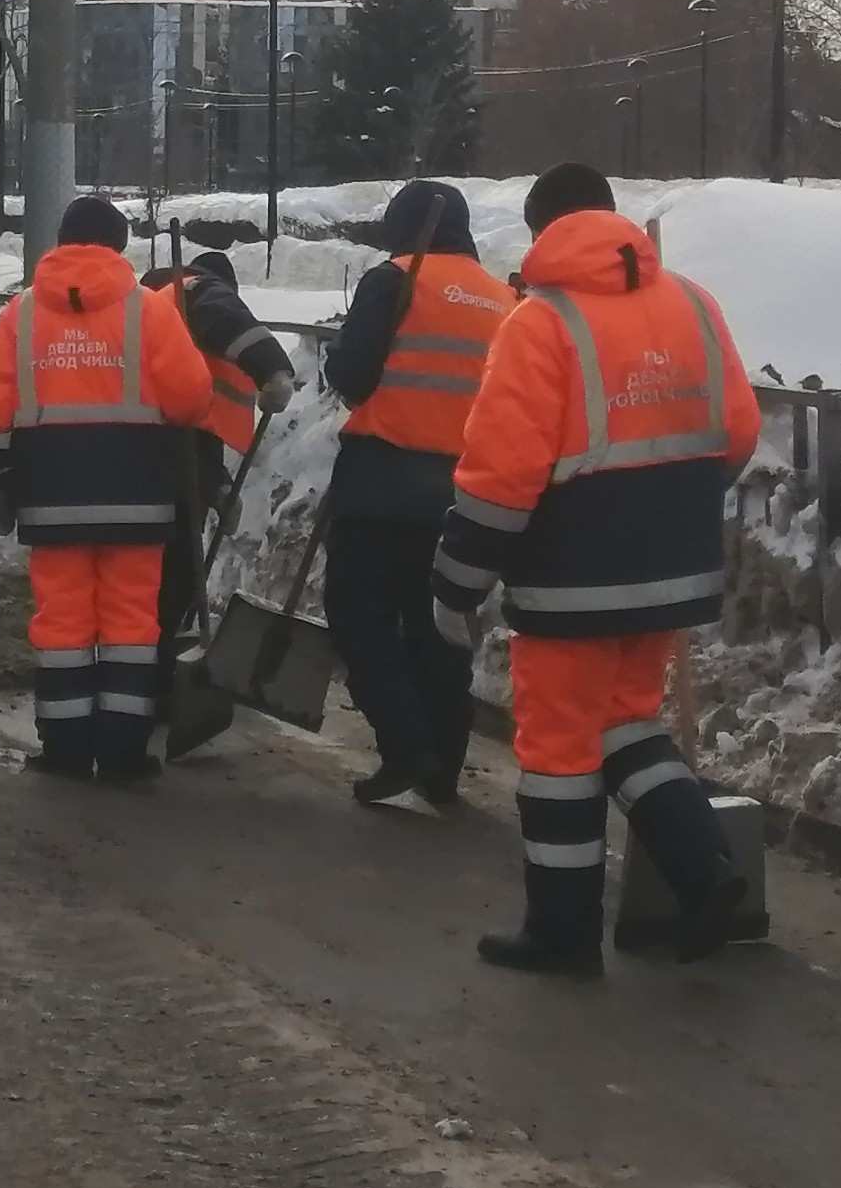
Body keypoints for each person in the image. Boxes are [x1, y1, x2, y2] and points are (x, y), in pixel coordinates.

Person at [431, 162, 764, 977]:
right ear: (611, 218)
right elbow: (739, 429)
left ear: (541, 232)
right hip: (670, 572)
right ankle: (707, 873)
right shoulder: (692, 302)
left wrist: (455, 585)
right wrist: (669, 509)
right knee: (626, 723)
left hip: (570, 579)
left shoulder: (538, 324)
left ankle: (562, 932)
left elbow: (500, 478)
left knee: (558, 752)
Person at [0, 195, 218, 780]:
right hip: (138, 495)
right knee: (132, 622)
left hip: (51, 495)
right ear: (118, 244)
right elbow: (190, 399)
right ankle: (125, 752)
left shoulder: (21, 314)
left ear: (60, 242)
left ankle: (65, 747)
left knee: (62, 622)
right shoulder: (151, 311)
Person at [317, 178, 505, 809]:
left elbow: (351, 376)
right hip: (465, 490)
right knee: (437, 627)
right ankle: (443, 768)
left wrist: (341, 353)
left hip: (384, 480)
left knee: (357, 614)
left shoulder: (395, 278)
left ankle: (405, 743)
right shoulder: (502, 297)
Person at [149, 241, 299, 747]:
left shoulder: (159, 317)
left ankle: (141, 678)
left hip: (144, 462)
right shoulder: (188, 291)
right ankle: (146, 686)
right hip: (154, 466)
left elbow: (198, 429)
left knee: (161, 584)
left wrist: (216, 490)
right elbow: (221, 310)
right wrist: (272, 368)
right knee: (168, 581)